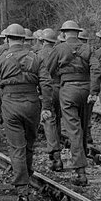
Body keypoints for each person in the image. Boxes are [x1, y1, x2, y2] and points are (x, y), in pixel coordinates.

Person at [0, 23, 51, 201]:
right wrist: (47, 107)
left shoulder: (2, 58)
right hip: (32, 103)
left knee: (16, 147)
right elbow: (46, 82)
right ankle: (27, 170)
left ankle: (22, 189)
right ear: (24, 39)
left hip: (11, 104)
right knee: (29, 143)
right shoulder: (36, 58)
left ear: (6, 39)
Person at [43, 20, 92, 186]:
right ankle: (82, 158)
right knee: (84, 127)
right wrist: (94, 90)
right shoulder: (88, 48)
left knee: (74, 129)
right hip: (86, 90)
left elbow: (48, 70)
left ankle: (80, 171)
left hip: (67, 90)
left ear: (64, 33)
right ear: (78, 33)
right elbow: (97, 68)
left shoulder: (59, 49)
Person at [37, 28, 63, 172]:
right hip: (60, 89)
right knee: (57, 120)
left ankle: (56, 157)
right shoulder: (60, 52)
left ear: (42, 41)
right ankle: (57, 146)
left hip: (47, 90)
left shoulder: (38, 54)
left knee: (49, 121)